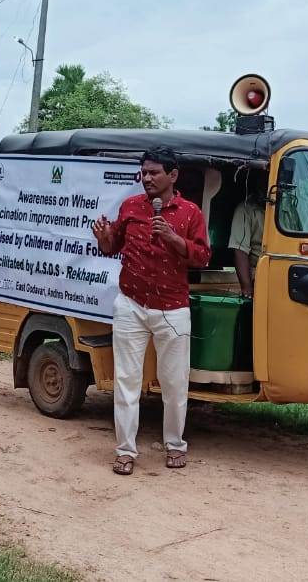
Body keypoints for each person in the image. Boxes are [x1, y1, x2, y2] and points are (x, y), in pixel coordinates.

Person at [92, 146, 211, 476]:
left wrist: (173, 239)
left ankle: (175, 444)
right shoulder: (130, 206)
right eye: (143, 172)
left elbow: (202, 257)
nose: (146, 178)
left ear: (172, 175)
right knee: (126, 381)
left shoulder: (190, 213)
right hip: (130, 304)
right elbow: (112, 247)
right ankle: (125, 450)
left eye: (153, 172)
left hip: (172, 310)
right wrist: (104, 238)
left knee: (174, 383)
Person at [229, 169, 267, 298]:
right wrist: (247, 288)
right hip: (259, 272)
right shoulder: (245, 209)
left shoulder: (291, 206)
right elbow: (240, 250)